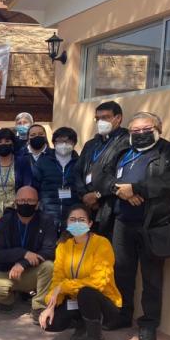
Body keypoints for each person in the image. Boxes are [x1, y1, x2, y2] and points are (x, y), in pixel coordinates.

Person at [109, 112, 170, 340]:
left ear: (158, 128)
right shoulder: (123, 152)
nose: (140, 134)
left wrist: (136, 189)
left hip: (153, 224)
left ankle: (149, 324)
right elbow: (104, 177)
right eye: (135, 131)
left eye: (145, 129)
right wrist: (119, 191)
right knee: (122, 272)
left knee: (152, 277)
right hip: (122, 222)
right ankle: (123, 315)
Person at [39, 205, 122, 340]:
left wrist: (64, 287)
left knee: (86, 293)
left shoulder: (101, 244)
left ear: (90, 224)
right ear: (67, 224)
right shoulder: (63, 246)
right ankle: (82, 324)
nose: (77, 223)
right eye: (72, 220)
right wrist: (50, 304)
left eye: (81, 220)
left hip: (104, 305)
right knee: (51, 323)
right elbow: (57, 279)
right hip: (76, 300)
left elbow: (99, 282)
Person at [0, 186, 56, 319]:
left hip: (31, 270)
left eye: (30, 200)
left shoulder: (46, 220)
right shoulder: (4, 221)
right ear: (15, 202)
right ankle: (9, 298)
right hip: (6, 271)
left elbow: (49, 250)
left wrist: (23, 263)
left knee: (49, 266)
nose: (25, 204)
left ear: (37, 204)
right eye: (22, 200)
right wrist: (23, 253)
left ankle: (38, 306)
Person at [73, 101, 130, 238]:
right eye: (97, 119)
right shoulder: (91, 144)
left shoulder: (127, 141)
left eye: (105, 117)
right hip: (88, 205)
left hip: (110, 206)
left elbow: (121, 175)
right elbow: (77, 171)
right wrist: (84, 195)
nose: (100, 122)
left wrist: (98, 195)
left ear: (118, 118)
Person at [0, 128, 35, 239]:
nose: (3, 144)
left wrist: (22, 212)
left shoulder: (22, 162)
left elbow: (27, 187)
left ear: (13, 143)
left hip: (19, 214)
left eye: (7, 141)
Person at [34, 127, 80, 232]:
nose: (64, 144)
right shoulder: (42, 162)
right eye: (60, 141)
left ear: (74, 143)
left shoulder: (80, 163)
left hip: (72, 217)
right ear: (54, 143)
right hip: (47, 215)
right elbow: (34, 186)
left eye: (67, 141)